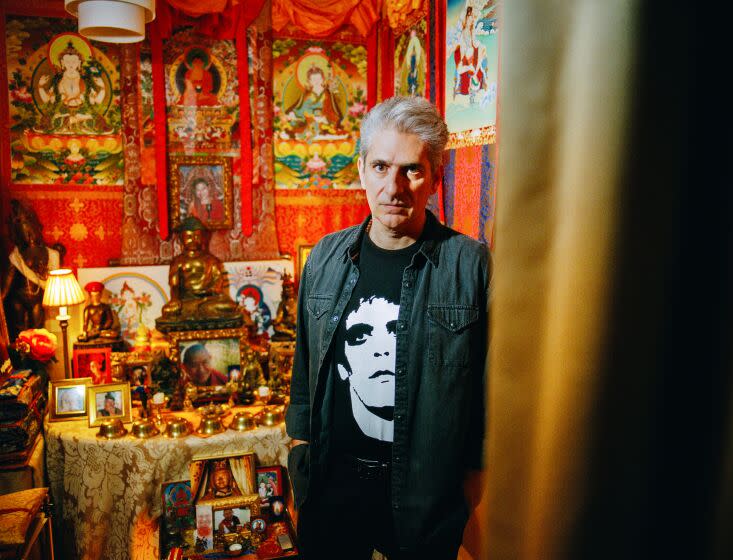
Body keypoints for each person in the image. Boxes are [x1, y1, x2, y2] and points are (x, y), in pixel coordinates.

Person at [285, 96, 489, 559]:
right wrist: (301, 463)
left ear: (435, 178)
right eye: (380, 166)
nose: (393, 186)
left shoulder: (469, 265)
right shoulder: (325, 259)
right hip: (332, 496)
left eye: (411, 170)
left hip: (424, 504)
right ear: (361, 170)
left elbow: (490, 393)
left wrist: (473, 496)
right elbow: (304, 372)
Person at [156, 216, 241, 331]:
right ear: (181, 238)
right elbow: (174, 286)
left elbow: (218, 285)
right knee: (168, 310)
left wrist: (208, 292)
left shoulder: (211, 260)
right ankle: (200, 313)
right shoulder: (178, 261)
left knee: (229, 306)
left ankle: (199, 313)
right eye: (189, 237)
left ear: (203, 238)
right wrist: (175, 300)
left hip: (208, 300)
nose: (193, 239)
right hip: (186, 302)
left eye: (197, 236)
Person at [1, 200, 61, 341]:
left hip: (36, 299)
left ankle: (38, 356)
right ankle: (22, 356)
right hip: (19, 298)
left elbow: (51, 278)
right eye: (25, 234)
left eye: (31, 233)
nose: (30, 237)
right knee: (20, 331)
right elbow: (8, 281)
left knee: (38, 330)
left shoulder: (48, 253)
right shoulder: (16, 256)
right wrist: (2, 296)